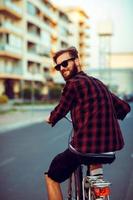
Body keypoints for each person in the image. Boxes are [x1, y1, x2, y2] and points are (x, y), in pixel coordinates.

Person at [44, 46, 131, 200]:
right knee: (95, 167)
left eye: (65, 64)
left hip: (83, 148)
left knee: (52, 176)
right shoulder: (98, 84)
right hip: (108, 150)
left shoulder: (73, 84)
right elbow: (124, 108)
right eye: (58, 67)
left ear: (77, 61)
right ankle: (100, 195)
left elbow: (61, 109)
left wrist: (51, 118)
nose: (62, 69)